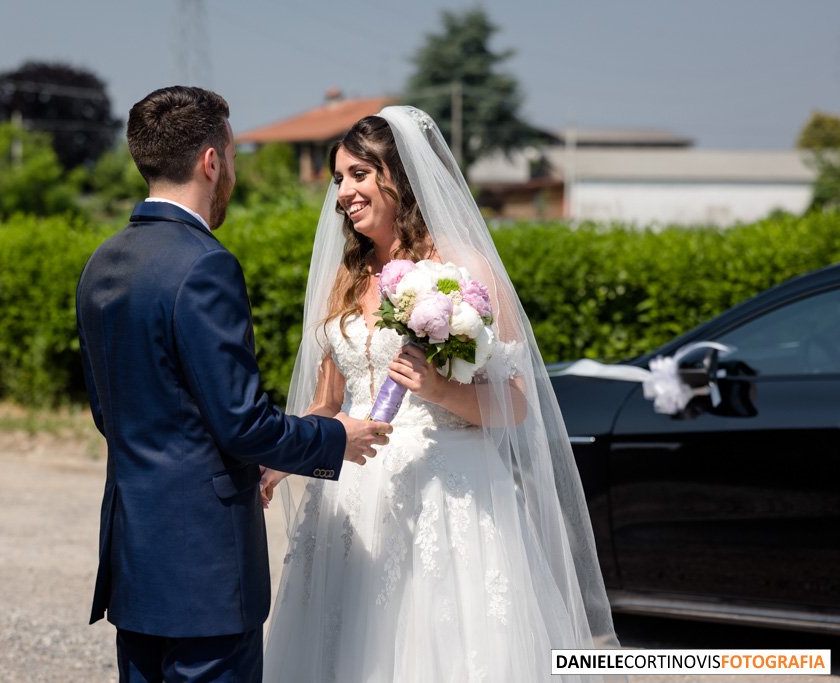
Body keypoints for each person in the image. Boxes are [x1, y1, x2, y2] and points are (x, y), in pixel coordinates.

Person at [260, 107, 620, 682]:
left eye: (358, 174)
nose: (344, 194)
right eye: (338, 180)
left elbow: (516, 404)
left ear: (398, 177)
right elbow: (328, 403)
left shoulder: (462, 271)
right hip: (354, 493)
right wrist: (276, 463)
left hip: (447, 497)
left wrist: (437, 389)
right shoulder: (347, 279)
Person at [75, 86, 392, 683]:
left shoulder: (103, 261)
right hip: (206, 571)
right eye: (235, 159)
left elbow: (107, 413)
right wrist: (333, 438)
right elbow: (241, 422)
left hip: (134, 558)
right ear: (211, 161)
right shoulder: (204, 265)